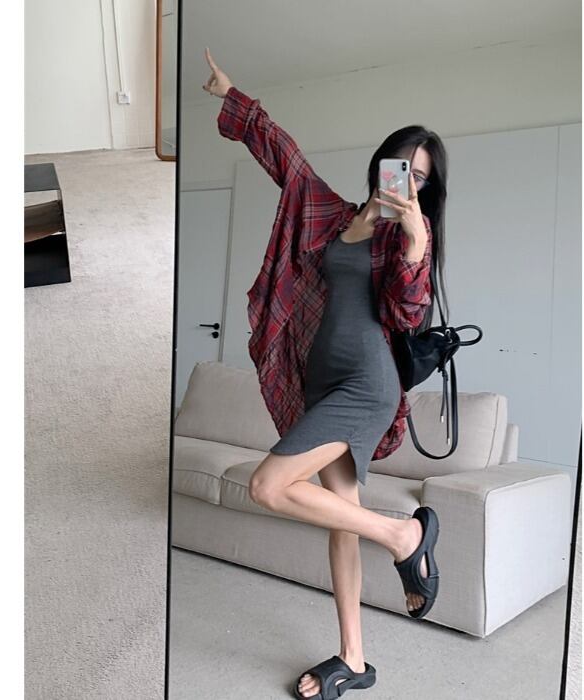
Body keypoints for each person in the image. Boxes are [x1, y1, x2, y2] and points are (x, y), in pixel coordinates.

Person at [203, 47, 448, 699]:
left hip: (367, 385)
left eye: (422, 178)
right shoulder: (334, 214)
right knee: (342, 518)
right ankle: (355, 659)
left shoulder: (406, 240)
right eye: (404, 167)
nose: (409, 182)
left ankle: (405, 534)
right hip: (323, 382)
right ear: (384, 164)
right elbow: (285, 157)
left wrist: (417, 243)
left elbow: (409, 310)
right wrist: (232, 95)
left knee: (267, 485)